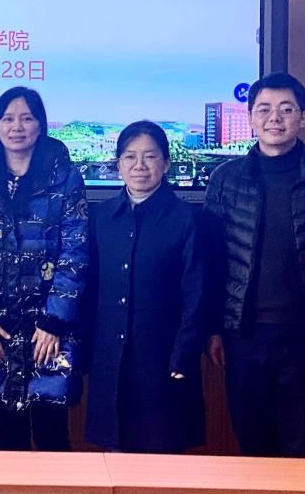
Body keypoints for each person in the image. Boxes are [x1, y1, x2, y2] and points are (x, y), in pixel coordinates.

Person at [202, 71, 305, 458]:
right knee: (252, 444)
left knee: (303, 446)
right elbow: (211, 262)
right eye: (264, 109)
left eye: (286, 109)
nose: (275, 118)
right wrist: (212, 329)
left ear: (302, 117)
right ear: (251, 118)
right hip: (243, 335)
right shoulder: (225, 180)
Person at [0, 87, 88, 451]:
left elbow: (75, 252)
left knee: (52, 434)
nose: (17, 127)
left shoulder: (65, 178)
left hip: (49, 327)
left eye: (27, 118)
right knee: (8, 435)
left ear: (40, 125)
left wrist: (54, 321)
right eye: (8, 118)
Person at [84, 120, 207, 453]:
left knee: (164, 454)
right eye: (130, 157)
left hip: (164, 357)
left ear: (166, 163)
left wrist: (184, 354)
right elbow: (88, 290)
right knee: (115, 456)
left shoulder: (188, 218)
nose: (139, 165)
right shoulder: (100, 217)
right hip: (110, 356)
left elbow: (197, 294)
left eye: (150, 156)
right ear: (118, 164)